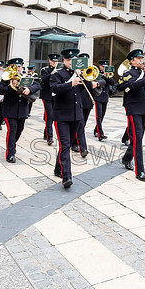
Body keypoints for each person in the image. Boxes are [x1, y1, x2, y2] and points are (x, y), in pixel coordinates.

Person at [116, 49, 145, 181]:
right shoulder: (128, 73)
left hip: (144, 108)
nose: (141, 60)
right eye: (138, 58)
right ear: (132, 60)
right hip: (133, 108)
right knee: (138, 139)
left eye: (142, 58)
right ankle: (139, 171)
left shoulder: (143, 72)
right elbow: (130, 87)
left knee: (137, 138)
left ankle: (126, 158)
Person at [49, 48, 83, 188]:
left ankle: (58, 168)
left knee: (66, 144)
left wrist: (82, 77)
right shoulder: (57, 74)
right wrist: (71, 83)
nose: (71, 62)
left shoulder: (79, 73)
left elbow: (88, 88)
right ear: (64, 61)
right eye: (69, 60)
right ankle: (66, 177)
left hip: (76, 115)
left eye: (73, 60)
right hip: (61, 115)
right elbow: (54, 89)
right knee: (65, 145)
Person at [0, 58, 39, 163]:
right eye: (16, 67)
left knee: (19, 130)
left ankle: (12, 144)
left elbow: (37, 85)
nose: (19, 69)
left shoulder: (26, 77)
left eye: (20, 66)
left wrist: (29, 89)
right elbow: (1, 91)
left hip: (22, 109)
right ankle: (10, 154)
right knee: (12, 130)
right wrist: (12, 86)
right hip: (10, 109)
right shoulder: (6, 78)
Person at [72, 53, 96, 158]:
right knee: (80, 125)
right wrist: (78, 75)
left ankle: (73, 142)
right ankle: (83, 148)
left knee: (82, 124)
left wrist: (86, 77)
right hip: (77, 102)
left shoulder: (88, 73)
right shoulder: (74, 73)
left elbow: (90, 86)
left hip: (87, 102)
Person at [40, 54, 59, 146]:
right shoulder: (45, 70)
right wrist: (52, 73)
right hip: (47, 96)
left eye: (56, 61)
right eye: (53, 61)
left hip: (56, 96)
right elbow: (44, 80)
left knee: (52, 116)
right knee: (49, 116)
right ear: (49, 61)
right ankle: (50, 137)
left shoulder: (59, 71)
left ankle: (45, 133)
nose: (55, 62)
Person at [92, 60, 114, 141]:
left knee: (102, 116)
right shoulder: (97, 74)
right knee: (99, 116)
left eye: (106, 67)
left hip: (105, 97)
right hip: (98, 97)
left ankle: (96, 130)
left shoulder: (108, 75)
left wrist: (109, 77)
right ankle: (100, 134)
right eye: (103, 66)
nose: (104, 68)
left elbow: (113, 83)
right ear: (100, 66)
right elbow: (99, 83)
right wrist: (104, 76)